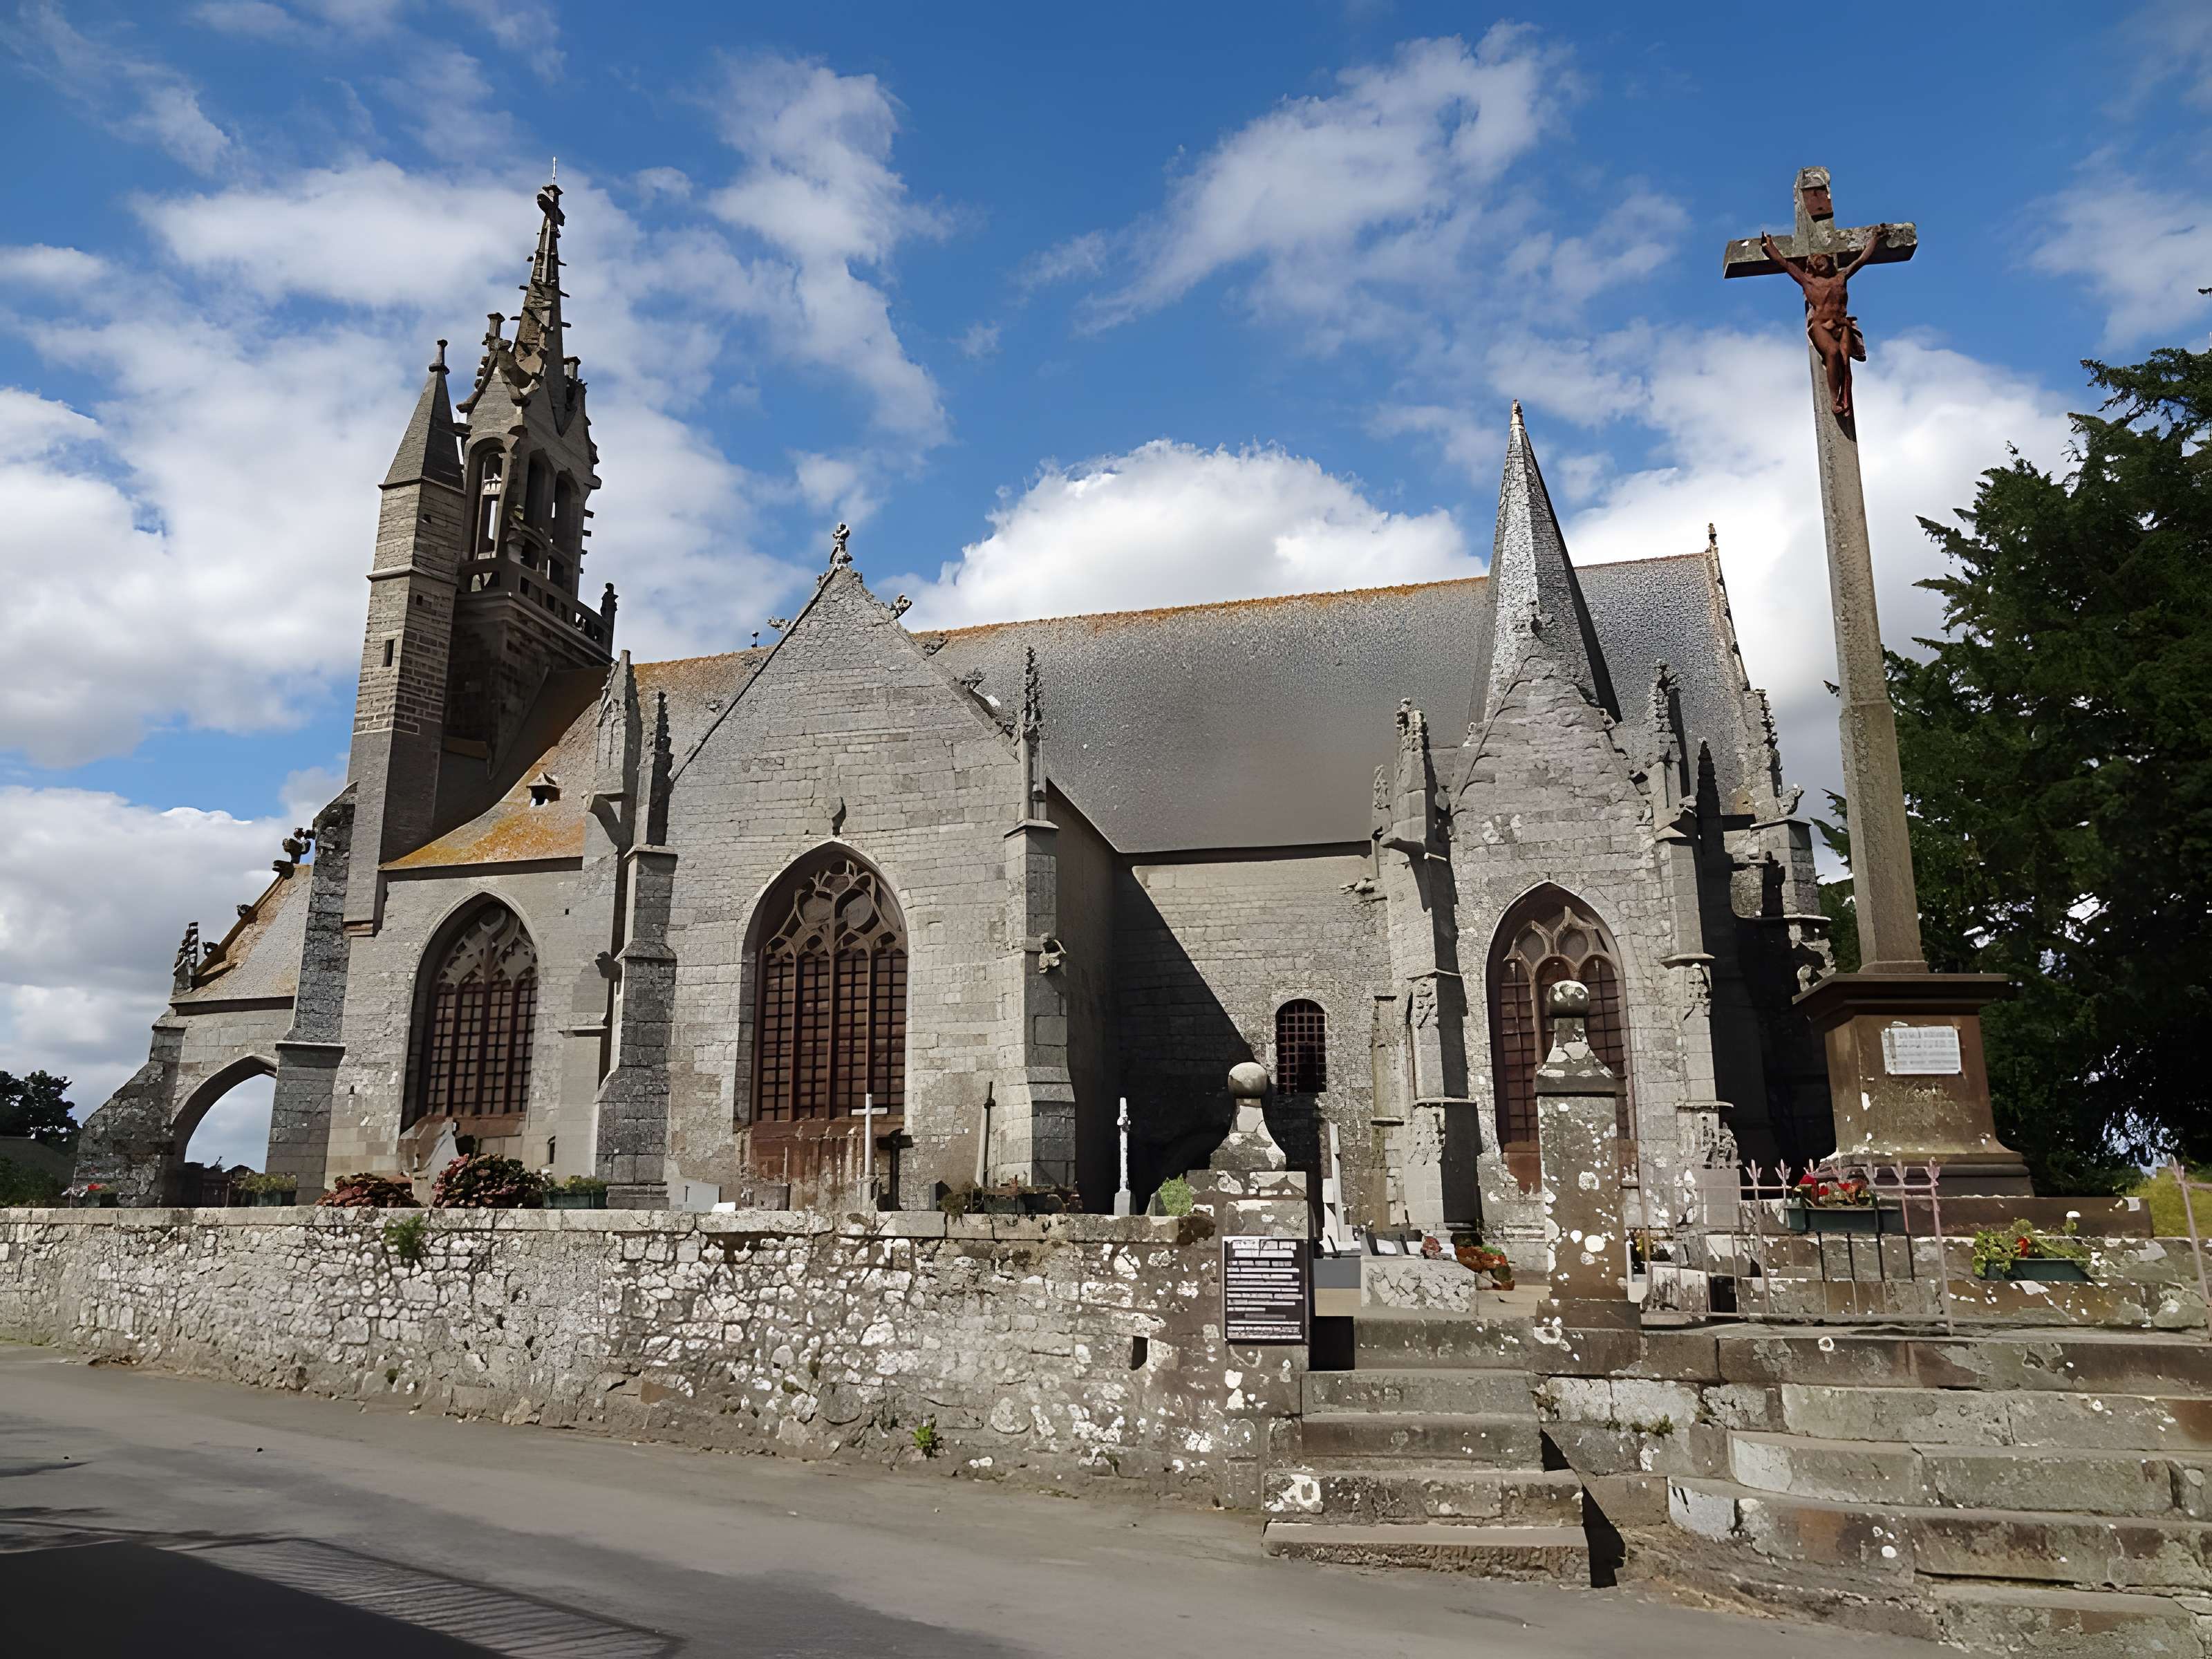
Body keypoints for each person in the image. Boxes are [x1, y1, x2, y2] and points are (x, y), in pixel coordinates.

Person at [1761, 226, 1888, 421]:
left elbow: (1861, 260)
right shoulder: (1807, 282)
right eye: (1817, 263)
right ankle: (1833, 400)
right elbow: (1784, 264)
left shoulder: (1840, 278)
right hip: (1821, 324)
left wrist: (1876, 239)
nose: (1821, 264)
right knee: (1832, 352)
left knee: (1844, 362)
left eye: (1824, 262)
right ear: (1812, 267)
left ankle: (1844, 399)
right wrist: (1770, 247)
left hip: (1841, 324)